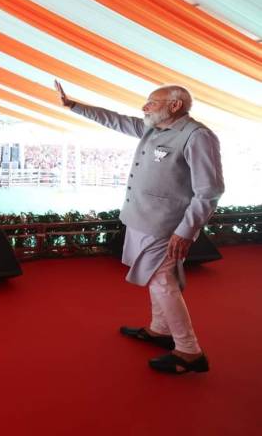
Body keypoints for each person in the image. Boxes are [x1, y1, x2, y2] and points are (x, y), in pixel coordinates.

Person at [55, 80, 224, 374]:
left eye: (152, 103)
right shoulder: (152, 128)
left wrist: (186, 230)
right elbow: (115, 120)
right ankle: (160, 330)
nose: (144, 108)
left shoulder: (197, 136)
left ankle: (189, 351)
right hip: (143, 218)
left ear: (175, 105)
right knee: (158, 279)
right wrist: (74, 105)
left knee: (162, 282)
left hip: (167, 225)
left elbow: (209, 191)